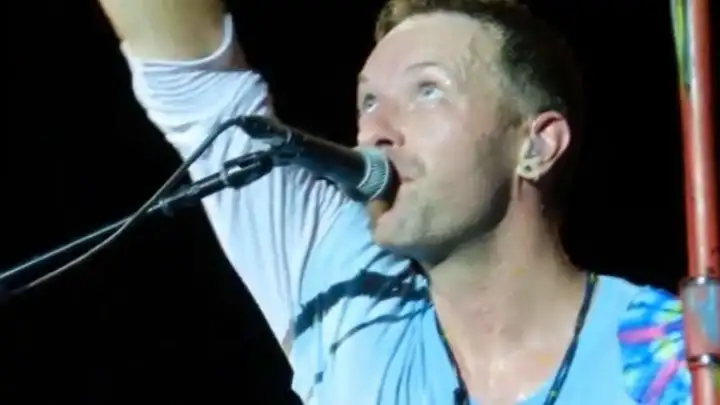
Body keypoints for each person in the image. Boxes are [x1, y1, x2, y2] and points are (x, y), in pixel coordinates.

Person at [97, 0, 691, 404]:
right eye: (368, 102)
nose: (375, 132)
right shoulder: (350, 301)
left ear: (536, 146)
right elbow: (196, 81)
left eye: (427, 90)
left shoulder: (683, 354)